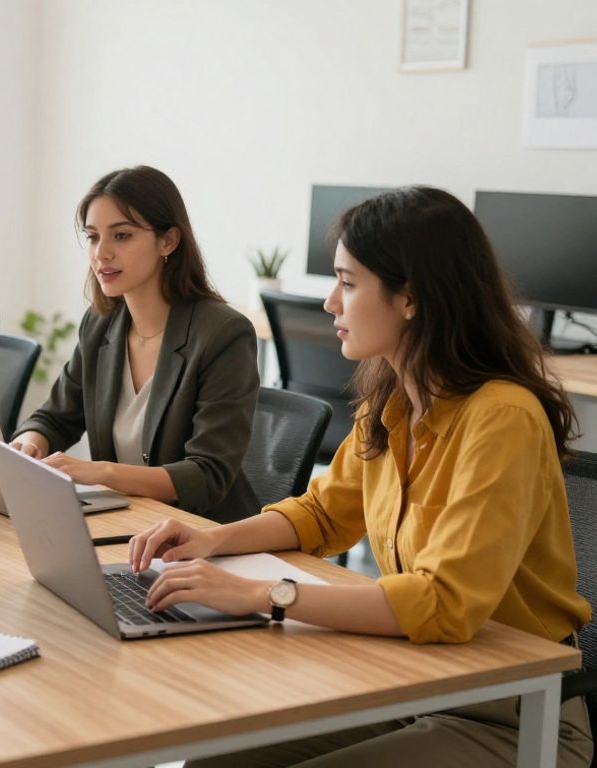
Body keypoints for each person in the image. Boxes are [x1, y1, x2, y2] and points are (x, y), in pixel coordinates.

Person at [130, 187, 592, 767]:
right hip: (417, 680)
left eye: (348, 283)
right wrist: (213, 539)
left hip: (513, 716)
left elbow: (445, 603)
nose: (329, 303)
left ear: (411, 298)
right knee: (216, 759)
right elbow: (322, 513)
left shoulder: (502, 418)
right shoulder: (393, 403)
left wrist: (260, 596)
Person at [9, 166, 259, 523]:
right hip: (129, 527)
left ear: (168, 241)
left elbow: (208, 475)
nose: (101, 253)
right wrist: (32, 442)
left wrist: (103, 473)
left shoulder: (223, 334)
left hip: (204, 537)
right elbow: (55, 416)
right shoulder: (100, 324)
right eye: (93, 237)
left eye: (122, 236)